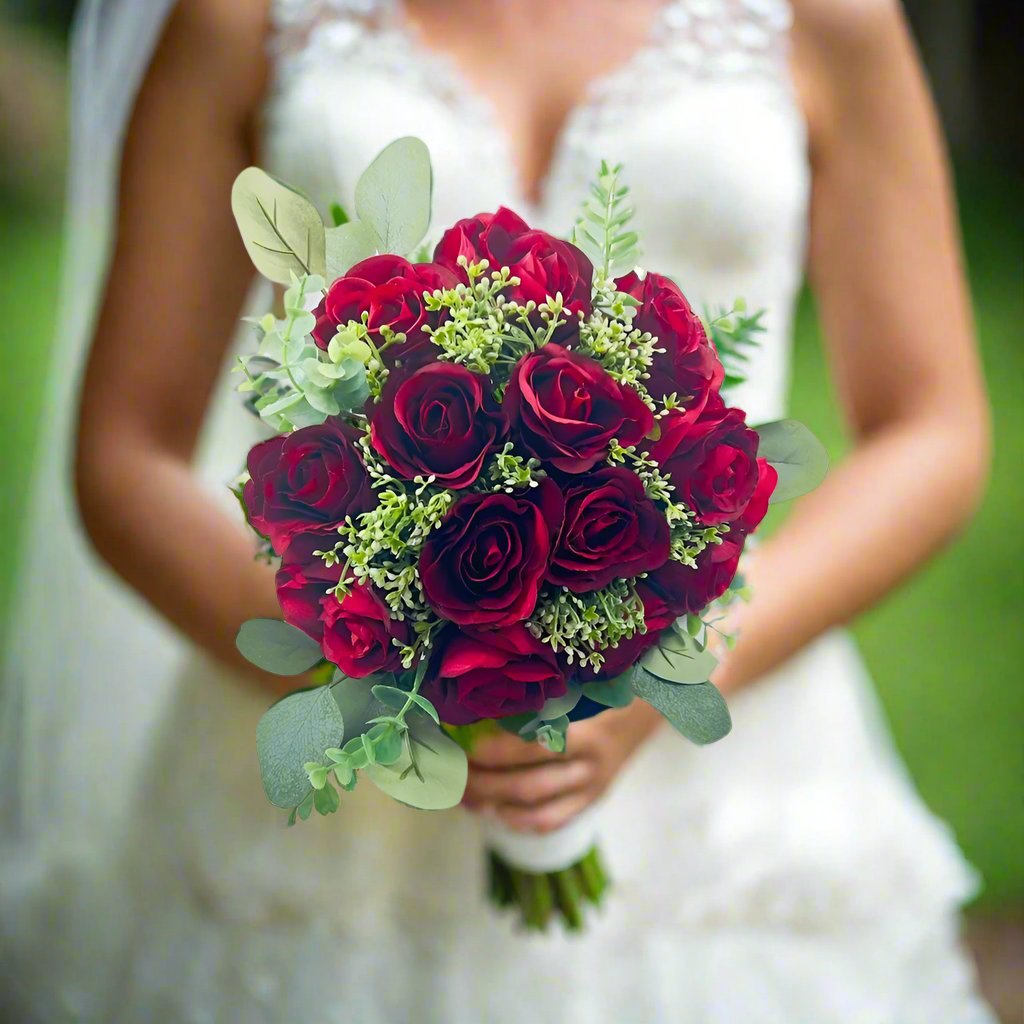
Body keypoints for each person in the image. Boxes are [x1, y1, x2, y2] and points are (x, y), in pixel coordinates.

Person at [0, 0, 995, 1020]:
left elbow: (931, 425)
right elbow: (127, 452)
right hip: (329, 805)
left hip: (733, 781)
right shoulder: (241, 19)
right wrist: (385, 688)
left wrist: (679, 668)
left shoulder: (825, 21)